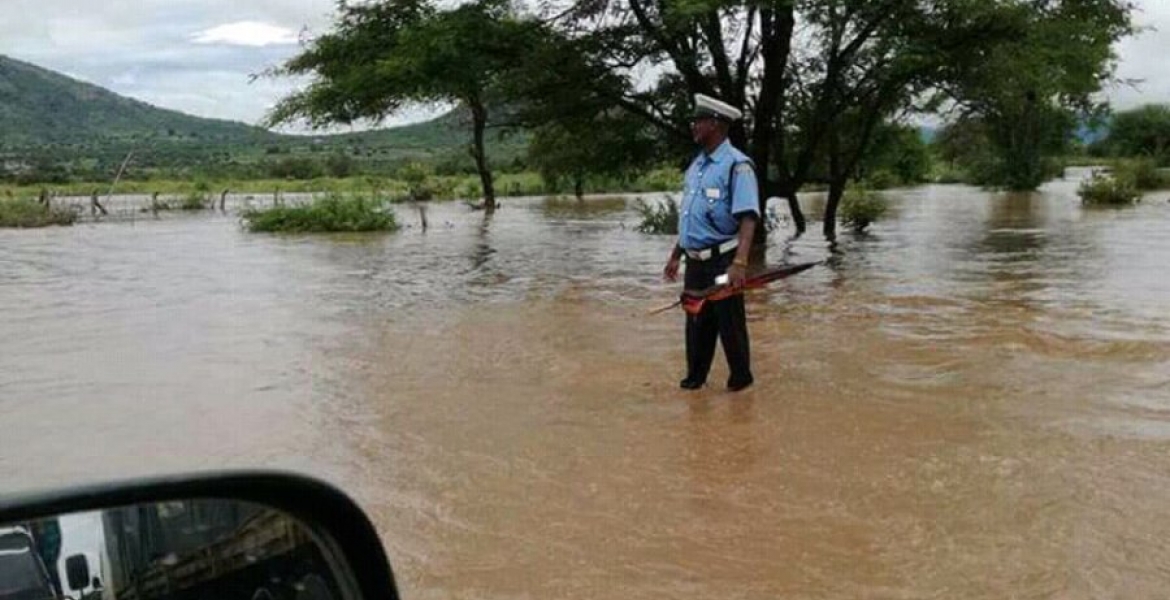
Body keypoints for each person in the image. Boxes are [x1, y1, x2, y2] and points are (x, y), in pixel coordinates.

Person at [663, 94, 760, 392]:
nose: (694, 126)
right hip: (695, 261)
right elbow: (693, 217)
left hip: (724, 260)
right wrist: (676, 254)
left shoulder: (738, 166)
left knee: (728, 321)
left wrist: (740, 263)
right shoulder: (697, 167)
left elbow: (748, 218)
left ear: (715, 124)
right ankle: (695, 380)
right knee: (695, 321)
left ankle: (740, 384)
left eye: (698, 121)